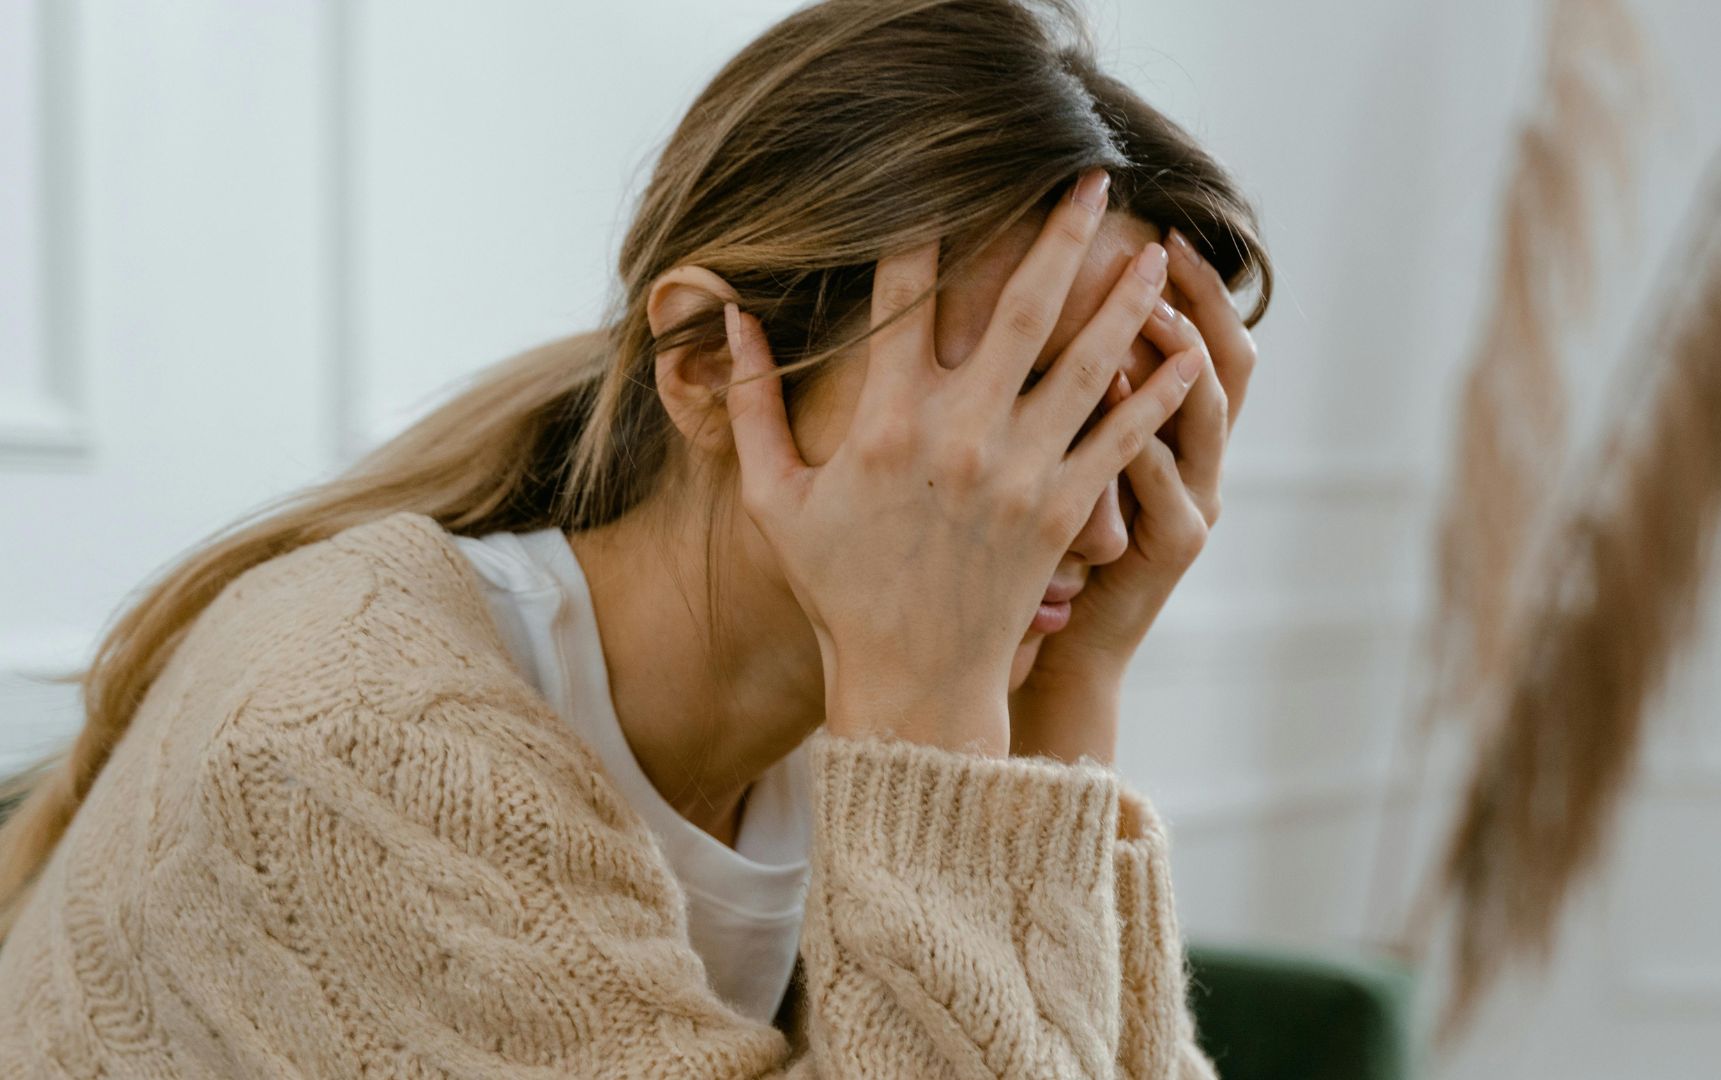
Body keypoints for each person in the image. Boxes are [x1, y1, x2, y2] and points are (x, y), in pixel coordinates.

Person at [0, 0, 1270, 1074]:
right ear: (712, 362)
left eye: (1133, 429)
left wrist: (1069, 692)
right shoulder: (357, 754)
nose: (1092, 519)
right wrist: (955, 721)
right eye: (1011, 406)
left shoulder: (865, 698)